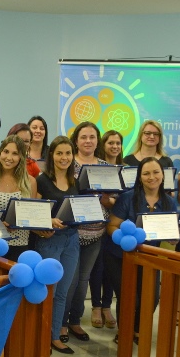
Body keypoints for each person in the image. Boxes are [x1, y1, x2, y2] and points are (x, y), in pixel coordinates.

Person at [106, 157, 177, 341]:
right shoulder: (127, 198)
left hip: (150, 257)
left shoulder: (169, 202)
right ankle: (125, 332)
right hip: (121, 256)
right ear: (139, 177)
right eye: (146, 173)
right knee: (130, 296)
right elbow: (111, 226)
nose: (151, 177)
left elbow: (170, 233)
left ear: (163, 175)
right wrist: (123, 240)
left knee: (151, 298)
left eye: (156, 172)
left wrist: (172, 238)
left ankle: (136, 330)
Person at [31, 136, 81, 354]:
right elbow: (32, 213)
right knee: (47, 291)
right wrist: (47, 220)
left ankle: (54, 337)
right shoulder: (42, 181)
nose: (64, 157)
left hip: (72, 240)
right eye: (59, 153)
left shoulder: (75, 181)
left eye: (68, 153)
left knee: (62, 292)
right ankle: (40, 336)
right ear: (52, 155)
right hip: (50, 241)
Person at [65, 122, 113, 342]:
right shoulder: (67, 163)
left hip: (96, 232)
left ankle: (75, 321)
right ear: (76, 140)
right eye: (83, 137)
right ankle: (62, 322)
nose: (88, 141)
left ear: (97, 140)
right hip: (72, 232)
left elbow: (113, 201)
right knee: (70, 280)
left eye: (92, 137)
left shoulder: (105, 166)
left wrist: (104, 198)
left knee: (84, 280)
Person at [88, 130, 124, 328]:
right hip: (97, 225)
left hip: (117, 227)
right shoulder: (97, 166)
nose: (114, 146)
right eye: (111, 142)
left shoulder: (126, 169)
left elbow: (124, 199)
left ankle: (106, 307)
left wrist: (110, 201)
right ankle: (95, 305)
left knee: (111, 270)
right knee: (98, 268)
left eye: (118, 143)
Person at [0, 135, 39, 260]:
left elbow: (32, 216)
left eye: (15, 153)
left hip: (20, 245)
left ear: (21, 157)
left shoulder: (30, 182)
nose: (9, 158)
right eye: (6, 152)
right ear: (0, 153)